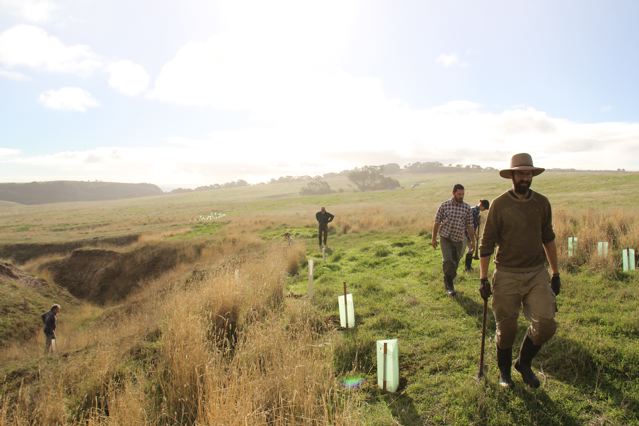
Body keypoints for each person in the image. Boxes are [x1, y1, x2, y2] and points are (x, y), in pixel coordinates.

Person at [479, 153, 560, 389]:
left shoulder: (542, 203)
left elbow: (548, 238)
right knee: (506, 329)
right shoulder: (499, 204)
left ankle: (523, 363)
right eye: (521, 173)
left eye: (529, 173)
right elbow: (486, 243)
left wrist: (555, 273)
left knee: (546, 324)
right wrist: (483, 279)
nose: (525, 178)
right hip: (506, 273)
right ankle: (504, 372)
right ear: (512, 176)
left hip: (536, 272)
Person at [432, 184, 476, 296]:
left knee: (455, 263)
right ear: (453, 193)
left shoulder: (467, 208)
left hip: (458, 239)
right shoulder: (445, 205)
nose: (461, 196)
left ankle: (447, 279)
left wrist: (473, 241)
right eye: (459, 194)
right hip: (445, 237)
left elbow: (470, 226)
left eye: (463, 194)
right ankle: (450, 287)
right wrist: (433, 238)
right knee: (448, 261)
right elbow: (437, 222)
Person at [465, 199, 490, 270]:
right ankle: (467, 267)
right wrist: (475, 234)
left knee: (471, 248)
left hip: (468, 232)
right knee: (471, 248)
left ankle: (468, 267)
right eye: (484, 208)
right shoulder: (474, 211)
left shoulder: (475, 211)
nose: (484, 210)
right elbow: (470, 225)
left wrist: (477, 221)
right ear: (482, 205)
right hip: (467, 233)